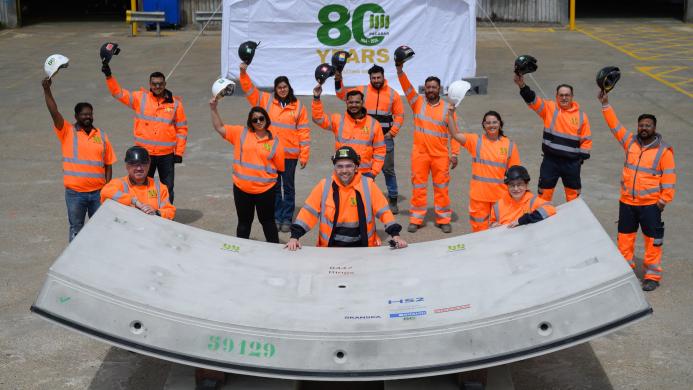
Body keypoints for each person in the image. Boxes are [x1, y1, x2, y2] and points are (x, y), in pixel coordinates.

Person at [598, 91, 676, 292]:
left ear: (654, 128)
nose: (644, 128)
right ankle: (625, 271)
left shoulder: (663, 151)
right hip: (627, 203)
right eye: (641, 125)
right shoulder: (630, 142)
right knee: (625, 239)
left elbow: (669, 177)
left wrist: (663, 201)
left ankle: (652, 275)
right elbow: (614, 126)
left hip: (650, 205)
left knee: (652, 241)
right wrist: (605, 104)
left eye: (647, 125)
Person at [286, 146, 406, 250]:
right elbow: (308, 213)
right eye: (340, 166)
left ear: (356, 167)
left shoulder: (368, 185)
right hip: (331, 248)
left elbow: (384, 211)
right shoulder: (324, 186)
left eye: (349, 166)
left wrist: (395, 235)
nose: (344, 171)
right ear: (335, 167)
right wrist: (294, 237)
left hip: (363, 248)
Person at [42, 77, 116, 241]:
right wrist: (47, 90)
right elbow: (54, 111)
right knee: (76, 228)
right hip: (75, 194)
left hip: (98, 193)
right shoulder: (67, 132)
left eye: (90, 114)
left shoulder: (102, 136)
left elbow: (108, 164)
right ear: (76, 116)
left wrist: (106, 188)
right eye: (83, 114)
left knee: (101, 228)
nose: (87, 117)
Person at [239, 62, 310, 233]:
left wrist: (304, 154)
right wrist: (243, 73)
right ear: (275, 89)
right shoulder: (266, 100)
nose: (282, 90)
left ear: (289, 88)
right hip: (271, 153)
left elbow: (304, 131)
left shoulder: (298, 106)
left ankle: (287, 218)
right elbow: (249, 90)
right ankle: (277, 217)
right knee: (275, 187)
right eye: (279, 87)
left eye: (285, 87)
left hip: (290, 156)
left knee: (289, 187)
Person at [102, 64, 188, 203]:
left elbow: (182, 129)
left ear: (165, 84)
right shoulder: (140, 98)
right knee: (141, 186)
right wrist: (109, 76)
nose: (157, 87)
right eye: (154, 84)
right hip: (145, 155)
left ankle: (166, 215)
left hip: (166, 155)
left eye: (160, 84)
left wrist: (178, 152)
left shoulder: (176, 104)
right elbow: (118, 93)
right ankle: (144, 213)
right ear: (150, 84)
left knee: (168, 187)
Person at [396, 62, 460, 233]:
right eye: (428, 87)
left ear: (439, 89)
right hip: (420, 155)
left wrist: (454, 154)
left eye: (434, 87)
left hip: (440, 156)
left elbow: (455, 133)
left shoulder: (448, 109)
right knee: (418, 188)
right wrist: (399, 70)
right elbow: (406, 86)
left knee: (442, 189)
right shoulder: (416, 102)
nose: (431, 89)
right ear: (424, 89)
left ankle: (443, 219)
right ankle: (416, 220)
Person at [210, 99, 285, 243]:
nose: (258, 122)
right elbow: (219, 127)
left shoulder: (275, 142)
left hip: (265, 191)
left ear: (266, 119)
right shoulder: (240, 133)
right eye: (254, 120)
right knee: (244, 224)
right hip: (242, 190)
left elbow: (280, 167)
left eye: (261, 118)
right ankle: (241, 253)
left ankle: (276, 254)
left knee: (268, 223)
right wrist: (213, 109)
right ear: (250, 122)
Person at [334, 65, 404, 214]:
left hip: (385, 138)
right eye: (373, 78)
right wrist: (338, 81)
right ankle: (364, 198)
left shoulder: (393, 94)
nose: (376, 80)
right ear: (370, 78)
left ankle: (393, 198)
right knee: (363, 170)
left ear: (383, 77)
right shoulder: (362, 90)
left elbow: (399, 115)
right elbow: (342, 95)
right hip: (365, 137)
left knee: (388, 170)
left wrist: (392, 133)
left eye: (379, 77)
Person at [513, 73, 591, 203]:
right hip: (550, 162)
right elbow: (532, 100)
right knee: (543, 196)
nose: (564, 98)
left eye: (567, 95)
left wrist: (579, 160)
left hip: (571, 164)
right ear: (556, 97)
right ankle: (542, 219)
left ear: (572, 97)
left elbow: (586, 140)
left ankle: (573, 222)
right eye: (561, 95)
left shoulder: (582, 116)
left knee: (574, 199)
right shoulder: (549, 108)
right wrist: (522, 85)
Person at [448, 110, 521, 232]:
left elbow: (516, 174)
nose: (491, 125)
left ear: (500, 124)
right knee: (479, 231)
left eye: (494, 122)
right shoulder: (475, 141)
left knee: (502, 230)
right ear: (483, 125)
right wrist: (450, 115)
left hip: (500, 197)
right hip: (479, 197)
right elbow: (455, 134)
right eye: (488, 123)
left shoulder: (509, 145)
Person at [312, 84, 386, 179]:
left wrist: (374, 172)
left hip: (365, 174)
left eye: (357, 102)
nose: (354, 105)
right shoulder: (338, 120)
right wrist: (316, 98)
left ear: (362, 102)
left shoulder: (373, 124)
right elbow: (318, 119)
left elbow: (380, 150)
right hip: (343, 173)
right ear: (346, 102)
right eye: (351, 102)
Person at [100, 146, 176, 220]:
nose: (139, 168)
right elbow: (104, 192)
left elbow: (170, 211)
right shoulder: (120, 184)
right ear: (127, 166)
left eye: (143, 164)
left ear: (149, 164)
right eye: (134, 164)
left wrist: (157, 212)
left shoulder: (159, 187)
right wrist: (134, 202)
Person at [489, 165, 555, 228]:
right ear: (507, 186)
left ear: (526, 185)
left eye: (519, 184)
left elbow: (550, 208)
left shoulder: (532, 201)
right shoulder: (498, 206)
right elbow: (492, 223)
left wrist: (524, 220)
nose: (516, 189)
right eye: (512, 185)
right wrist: (493, 225)